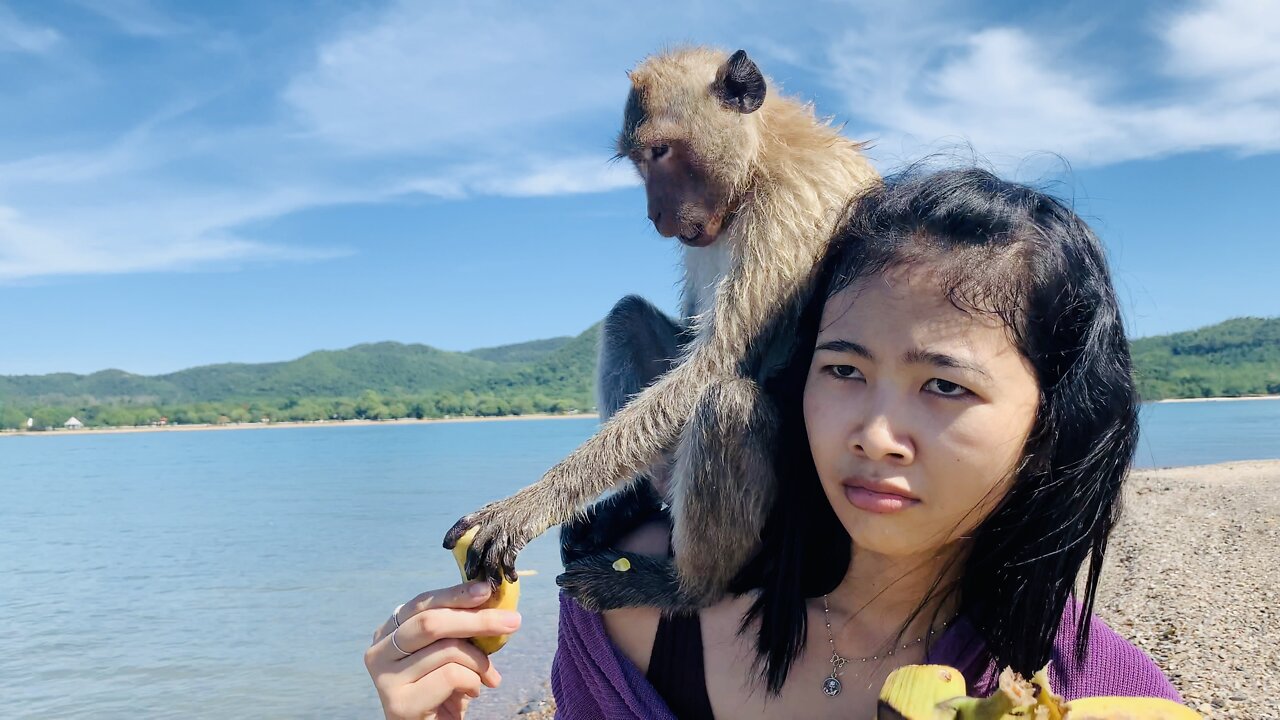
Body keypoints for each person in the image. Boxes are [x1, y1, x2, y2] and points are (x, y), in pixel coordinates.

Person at [365, 168, 1182, 719]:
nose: (874, 434)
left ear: (1052, 421)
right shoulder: (630, 611)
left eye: (945, 386)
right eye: (844, 368)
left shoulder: (1081, 688)